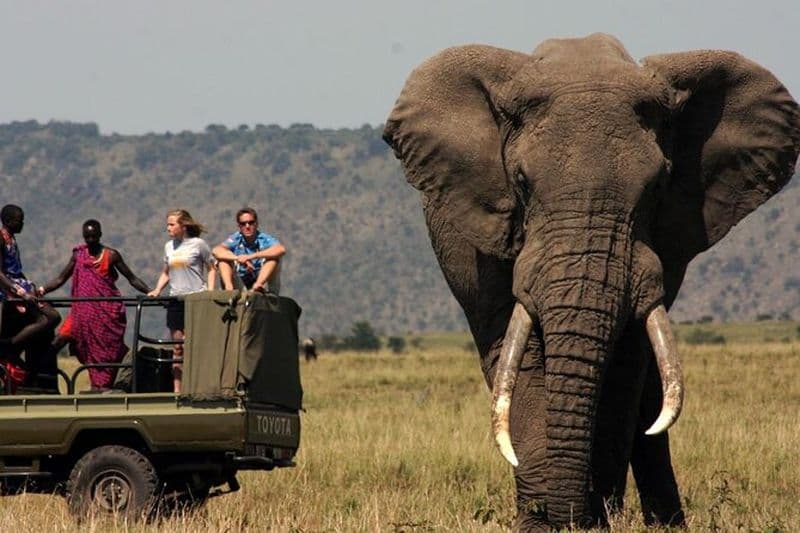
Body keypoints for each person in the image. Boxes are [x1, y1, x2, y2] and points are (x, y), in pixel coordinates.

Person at [38, 220, 151, 390]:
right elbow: (61, 278)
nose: (90, 240)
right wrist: (42, 290)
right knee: (58, 341)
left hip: (105, 313)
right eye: (87, 237)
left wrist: (150, 292)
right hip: (80, 314)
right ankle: (46, 385)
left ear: (99, 235)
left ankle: (104, 385)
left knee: (107, 351)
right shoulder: (78, 255)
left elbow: (132, 278)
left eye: (93, 237)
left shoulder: (111, 255)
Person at [147, 209, 216, 393]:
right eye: (167, 224)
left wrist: (209, 292)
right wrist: (157, 290)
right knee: (178, 347)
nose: (168, 228)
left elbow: (211, 268)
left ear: (183, 226)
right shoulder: (169, 247)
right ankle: (177, 390)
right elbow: (166, 272)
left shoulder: (198, 244)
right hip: (176, 300)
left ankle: (199, 387)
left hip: (195, 300)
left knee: (194, 345)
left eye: (172, 224)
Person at [0, 204, 61, 391]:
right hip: (10, 289)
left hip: (21, 284)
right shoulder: (1, 239)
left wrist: (31, 287)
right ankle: (10, 346)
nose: (23, 223)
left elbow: (16, 268)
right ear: (9, 221)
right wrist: (18, 291)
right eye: (20, 220)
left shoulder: (13, 240)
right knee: (51, 316)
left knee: (53, 317)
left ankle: (13, 345)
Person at [212, 207, 285, 293]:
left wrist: (251, 257)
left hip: (260, 282)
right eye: (243, 224)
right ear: (239, 226)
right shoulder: (236, 238)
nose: (247, 226)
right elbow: (216, 250)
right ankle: (229, 289)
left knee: (274, 258)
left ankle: (259, 286)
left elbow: (281, 249)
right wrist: (238, 258)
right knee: (223, 260)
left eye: (251, 223)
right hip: (241, 286)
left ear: (256, 224)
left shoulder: (263, 239)